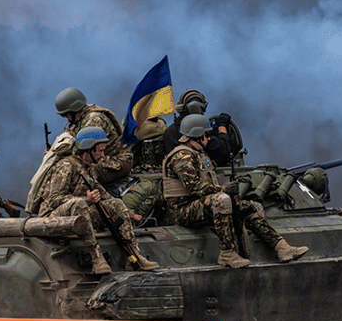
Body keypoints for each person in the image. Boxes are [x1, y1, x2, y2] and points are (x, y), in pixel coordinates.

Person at [162, 115, 309, 268]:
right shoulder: (182, 156)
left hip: (200, 205)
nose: (208, 138)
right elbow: (194, 187)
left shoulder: (198, 154)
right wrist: (223, 189)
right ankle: (227, 254)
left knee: (251, 207)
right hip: (183, 210)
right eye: (205, 135)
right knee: (222, 201)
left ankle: (281, 247)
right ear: (197, 135)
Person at [34, 127, 160, 274]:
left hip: (78, 214)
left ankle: (133, 256)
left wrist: (130, 214)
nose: (102, 155)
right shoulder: (66, 166)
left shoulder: (89, 169)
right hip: (52, 218)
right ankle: (96, 258)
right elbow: (53, 200)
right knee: (79, 203)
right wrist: (85, 200)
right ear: (88, 149)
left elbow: (105, 196)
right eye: (100, 151)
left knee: (116, 203)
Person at [54, 87, 132, 183]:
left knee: (77, 175)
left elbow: (83, 151)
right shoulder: (76, 121)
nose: (67, 118)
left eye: (67, 114)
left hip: (113, 162)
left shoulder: (94, 119)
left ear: (74, 109)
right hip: (98, 159)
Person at [162, 89, 241, 167]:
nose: (204, 112)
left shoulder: (170, 131)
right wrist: (222, 126)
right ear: (195, 108)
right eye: (202, 108)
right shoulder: (198, 131)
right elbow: (224, 152)